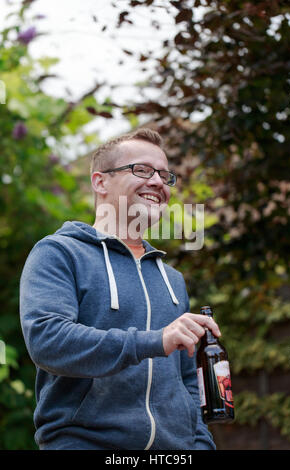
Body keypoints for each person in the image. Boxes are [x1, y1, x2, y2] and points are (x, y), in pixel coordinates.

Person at [20, 128, 220, 450]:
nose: (157, 182)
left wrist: (199, 444)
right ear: (100, 182)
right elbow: (48, 340)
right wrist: (155, 340)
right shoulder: (59, 253)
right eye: (141, 170)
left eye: (164, 175)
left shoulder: (172, 279)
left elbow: (187, 380)